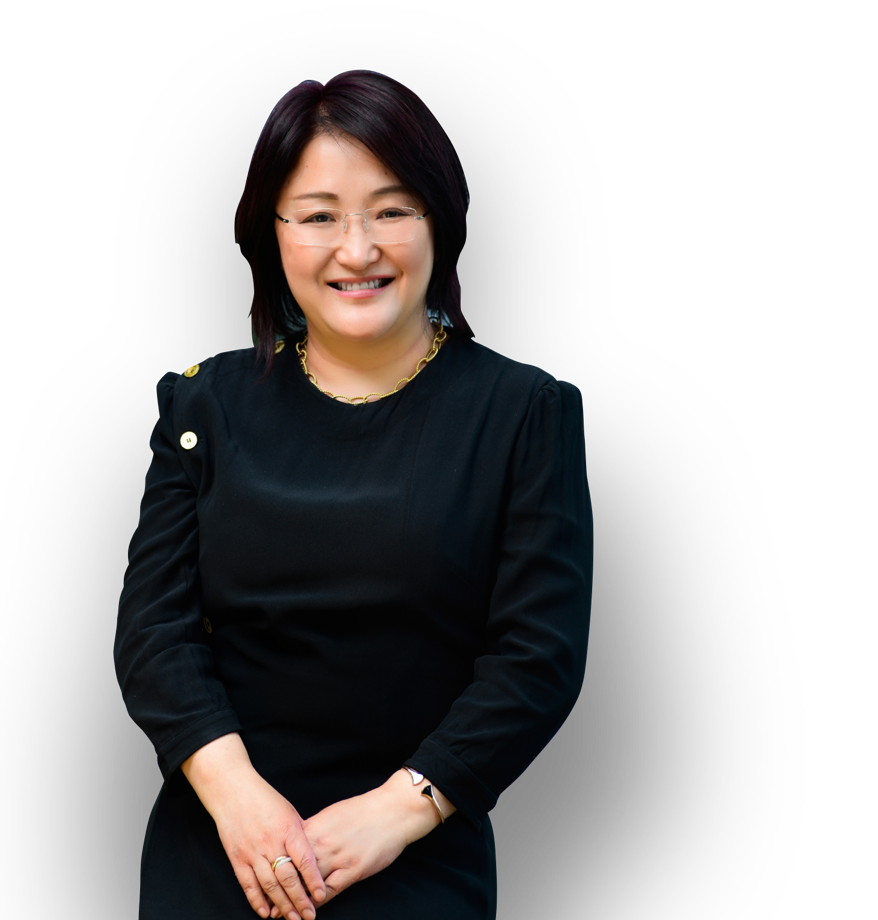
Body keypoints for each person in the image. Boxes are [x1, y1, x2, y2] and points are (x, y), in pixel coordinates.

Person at [115, 69, 593, 920]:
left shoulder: (526, 409)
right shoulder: (200, 404)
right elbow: (153, 632)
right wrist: (238, 798)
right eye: (319, 216)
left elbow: (540, 655)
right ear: (271, 231)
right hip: (219, 843)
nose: (358, 249)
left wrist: (398, 810)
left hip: (417, 846)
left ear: (442, 219)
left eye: (393, 210)